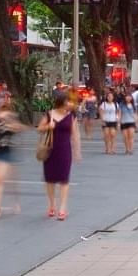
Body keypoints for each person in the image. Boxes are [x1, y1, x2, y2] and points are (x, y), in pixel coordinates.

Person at [38, 89, 80, 220]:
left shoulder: (71, 116)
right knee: (50, 179)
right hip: (50, 150)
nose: (70, 103)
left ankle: (62, 208)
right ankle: (52, 205)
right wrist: (48, 127)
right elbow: (39, 129)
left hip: (64, 150)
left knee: (64, 179)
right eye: (67, 100)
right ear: (61, 102)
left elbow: (75, 135)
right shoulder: (49, 114)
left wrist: (77, 150)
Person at [116, 91, 138, 155]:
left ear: (131, 98)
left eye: (129, 97)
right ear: (125, 98)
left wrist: (136, 123)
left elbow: (135, 114)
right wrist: (118, 123)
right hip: (123, 122)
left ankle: (131, 149)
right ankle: (127, 149)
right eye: (127, 97)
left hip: (131, 122)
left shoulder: (134, 105)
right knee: (125, 137)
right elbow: (119, 114)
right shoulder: (121, 104)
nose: (128, 98)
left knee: (131, 136)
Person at [98, 90, 118, 155]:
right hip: (105, 121)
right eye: (108, 96)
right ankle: (107, 148)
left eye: (111, 96)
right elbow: (100, 112)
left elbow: (118, 112)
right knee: (106, 135)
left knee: (113, 135)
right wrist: (102, 120)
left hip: (113, 121)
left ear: (113, 97)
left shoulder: (115, 104)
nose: (110, 97)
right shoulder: (103, 104)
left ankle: (113, 148)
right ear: (106, 97)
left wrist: (118, 119)